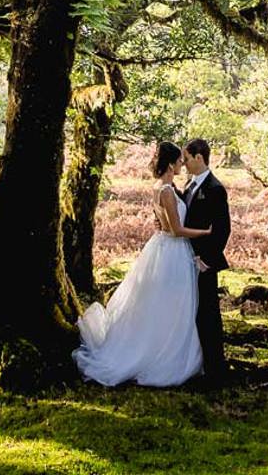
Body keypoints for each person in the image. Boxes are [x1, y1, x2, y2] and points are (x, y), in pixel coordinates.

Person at [73, 141, 211, 387]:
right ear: (170, 164)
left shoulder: (160, 187)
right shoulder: (167, 191)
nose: (182, 164)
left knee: (159, 303)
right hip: (173, 251)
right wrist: (204, 232)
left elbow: (162, 223)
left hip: (161, 247)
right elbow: (176, 230)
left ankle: (158, 344)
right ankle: (164, 354)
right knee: (174, 304)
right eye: (179, 161)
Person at [181, 136, 231, 382]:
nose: (184, 163)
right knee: (192, 311)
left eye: (187, 158)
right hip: (186, 260)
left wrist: (207, 260)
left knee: (209, 312)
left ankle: (216, 368)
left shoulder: (215, 188)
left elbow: (223, 229)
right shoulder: (189, 185)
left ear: (199, 158)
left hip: (204, 262)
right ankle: (196, 362)